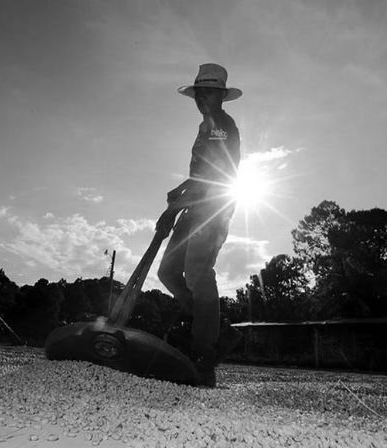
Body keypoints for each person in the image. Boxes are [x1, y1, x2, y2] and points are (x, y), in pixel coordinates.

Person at [156, 63, 243, 387]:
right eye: (198, 93)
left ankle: (203, 353)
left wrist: (176, 206)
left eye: (208, 92)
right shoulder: (205, 125)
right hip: (195, 205)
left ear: (220, 96)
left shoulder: (221, 124)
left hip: (214, 207)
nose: (201, 98)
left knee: (196, 271)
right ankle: (211, 328)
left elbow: (216, 172)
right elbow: (200, 172)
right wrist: (181, 190)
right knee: (168, 271)